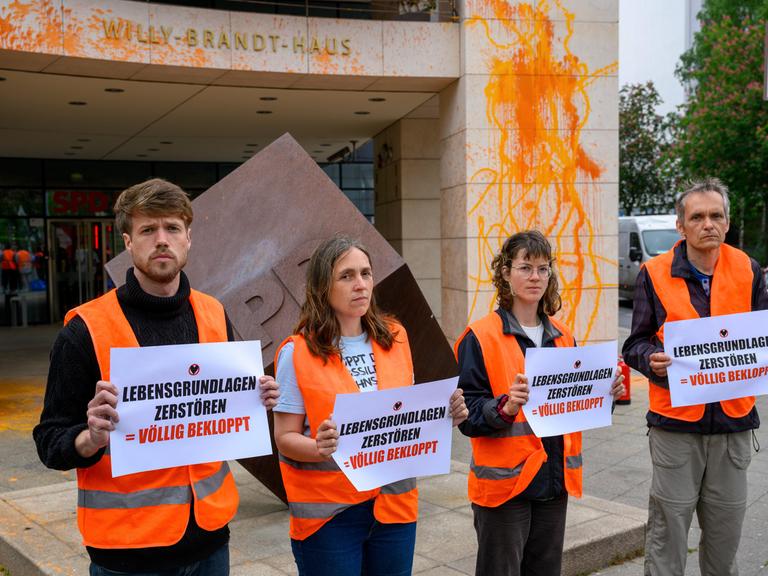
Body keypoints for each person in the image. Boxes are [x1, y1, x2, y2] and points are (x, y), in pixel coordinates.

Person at [33, 178, 280, 576]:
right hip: (128, 554)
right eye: (148, 229)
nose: (161, 239)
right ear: (128, 242)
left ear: (188, 238)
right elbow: (49, 441)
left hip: (211, 539)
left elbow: (219, 414)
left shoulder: (214, 313)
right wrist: (90, 437)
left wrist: (257, 398)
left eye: (172, 228)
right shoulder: (84, 330)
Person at [272, 235, 468, 576]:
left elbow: (403, 415)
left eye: (366, 273)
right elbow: (285, 436)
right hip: (330, 516)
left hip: (395, 507)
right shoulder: (297, 352)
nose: (360, 284)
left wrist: (443, 415)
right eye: (346, 276)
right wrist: (319, 448)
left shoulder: (396, 337)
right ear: (322, 286)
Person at [456, 230, 625, 576]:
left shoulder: (564, 336)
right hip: (505, 487)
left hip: (553, 481)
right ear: (505, 273)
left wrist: (606, 394)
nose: (535, 277)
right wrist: (504, 408)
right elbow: (467, 417)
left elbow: (576, 408)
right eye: (525, 268)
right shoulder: (479, 337)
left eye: (543, 269)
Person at [623, 177, 768, 576]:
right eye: (698, 216)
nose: (708, 224)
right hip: (676, 428)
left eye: (716, 215)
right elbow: (633, 343)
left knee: (725, 538)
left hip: (733, 425)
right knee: (668, 535)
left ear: (727, 221)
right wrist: (650, 358)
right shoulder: (653, 273)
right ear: (681, 225)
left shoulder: (748, 269)